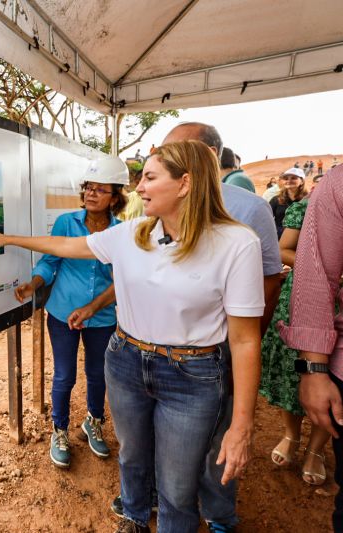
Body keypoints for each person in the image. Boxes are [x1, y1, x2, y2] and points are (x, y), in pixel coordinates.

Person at [0, 140, 264, 533]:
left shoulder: (236, 244)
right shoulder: (133, 234)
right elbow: (66, 245)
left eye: (148, 177)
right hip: (126, 361)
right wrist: (9, 239)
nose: (140, 187)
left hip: (192, 376)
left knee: (178, 485)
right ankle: (133, 518)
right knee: (131, 456)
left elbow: (245, 340)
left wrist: (242, 426)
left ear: (185, 183)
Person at [116, 122, 282, 533]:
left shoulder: (249, 211)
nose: (160, 164)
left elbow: (270, 278)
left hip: (217, 349)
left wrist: (242, 340)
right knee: (160, 442)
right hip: (157, 350)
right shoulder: (154, 209)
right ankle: (151, 501)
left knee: (217, 439)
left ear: (204, 159)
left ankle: (218, 515)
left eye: (173, 153)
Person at [15, 157, 128, 468]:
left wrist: (95, 306)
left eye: (99, 189)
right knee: (64, 376)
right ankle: (60, 429)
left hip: (103, 318)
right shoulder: (67, 223)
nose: (90, 193)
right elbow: (50, 261)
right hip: (63, 314)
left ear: (115, 197)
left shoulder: (122, 232)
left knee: (97, 375)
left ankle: (93, 422)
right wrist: (34, 284)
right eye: (88, 188)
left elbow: (121, 279)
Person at [278, 164, 343, 531]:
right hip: (309, 308)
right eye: (284, 178)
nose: (289, 182)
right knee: (299, 381)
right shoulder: (333, 189)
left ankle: (314, 452)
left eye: (294, 178)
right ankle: (291, 438)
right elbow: (310, 265)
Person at [259, 197, 330, 485]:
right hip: (303, 300)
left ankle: (316, 450)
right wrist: (325, 267)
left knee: (336, 378)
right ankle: (291, 435)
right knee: (293, 372)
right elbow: (283, 250)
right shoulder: (309, 206)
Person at [270, 167, 308, 239]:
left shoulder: (308, 200)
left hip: (301, 240)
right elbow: (267, 218)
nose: (289, 181)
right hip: (279, 239)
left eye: (293, 178)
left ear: (302, 181)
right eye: (286, 179)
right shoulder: (276, 200)